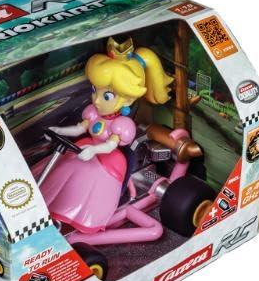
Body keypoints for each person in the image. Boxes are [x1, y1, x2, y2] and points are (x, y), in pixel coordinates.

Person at [42, 37, 173, 232]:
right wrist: (58, 131)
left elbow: (111, 146)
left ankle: (77, 218)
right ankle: (48, 207)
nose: (96, 99)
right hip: (86, 148)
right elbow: (79, 129)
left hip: (109, 160)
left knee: (87, 179)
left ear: (127, 100)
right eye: (95, 90)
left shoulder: (121, 124)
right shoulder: (93, 113)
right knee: (64, 168)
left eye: (107, 96)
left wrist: (94, 150)